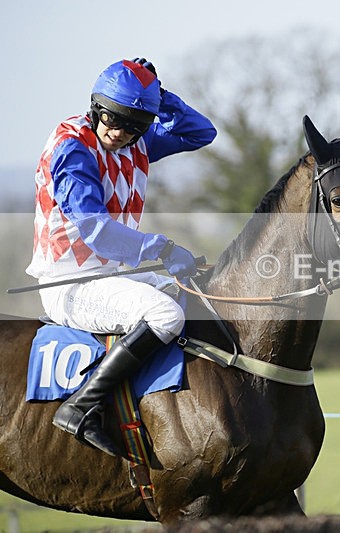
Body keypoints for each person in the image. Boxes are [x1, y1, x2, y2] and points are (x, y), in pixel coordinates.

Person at [25, 57, 217, 455]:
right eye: (113, 119)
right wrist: (161, 248)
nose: (120, 132)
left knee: (189, 292)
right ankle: (80, 406)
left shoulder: (136, 141)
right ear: (97, 108)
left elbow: (202, 132)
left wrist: (160, 98)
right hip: (70, 284)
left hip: (113, 276)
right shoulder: (72, 149)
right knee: (166, 315)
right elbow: (96, 231)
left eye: (134, 125)